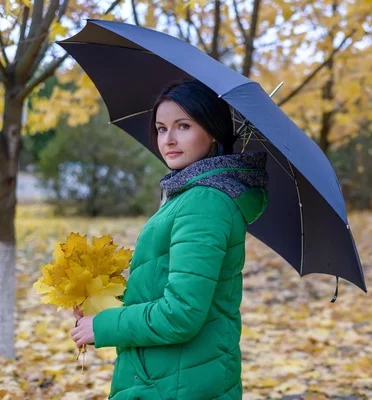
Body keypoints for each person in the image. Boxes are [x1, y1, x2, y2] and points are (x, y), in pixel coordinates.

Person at [70, 79, 269, 400]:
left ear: (214, 131)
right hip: (168, 374)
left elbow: (182, 313)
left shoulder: (205, 202)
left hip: (178, 382)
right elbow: (168, 284)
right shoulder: (190, 195)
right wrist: (102, 301)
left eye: (184, 126)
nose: (169, 139)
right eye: (161, 129)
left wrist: (105, 326)